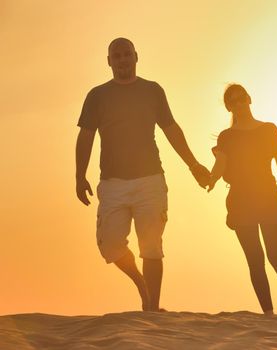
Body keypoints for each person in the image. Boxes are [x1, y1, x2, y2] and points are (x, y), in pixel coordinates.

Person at [75, 37, 210, 312]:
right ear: (109, 61)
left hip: (150, 180)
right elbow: (86, 136)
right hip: (112, 183)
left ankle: (152, 308)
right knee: (110, 246)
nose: (123, 60)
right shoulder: (97, 96)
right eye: (117, 55)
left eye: (127, 54)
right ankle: (140, 283)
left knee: (151, 247)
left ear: (136, 57)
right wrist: (79, 176)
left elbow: (171, 129)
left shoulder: (152, 91)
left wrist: (194, 165)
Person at [208, 84, 277, 315]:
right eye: (233, 101)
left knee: (276, 254)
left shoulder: (269, 130)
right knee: (255, 260)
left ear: (249, 99)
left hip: (268, 197)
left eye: (241, 98)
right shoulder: (227, 137)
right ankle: (268, 315)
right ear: (228, 107)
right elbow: (220, 165)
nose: (239, 103)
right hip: (240, 200)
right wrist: (211, 179)